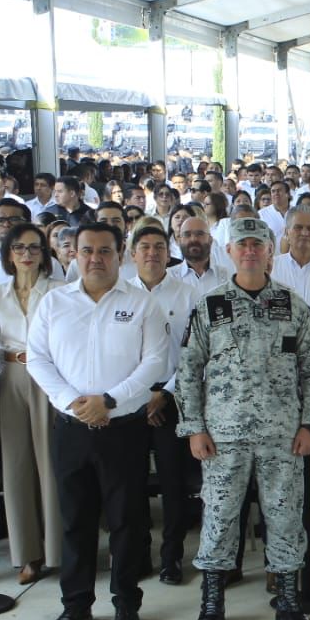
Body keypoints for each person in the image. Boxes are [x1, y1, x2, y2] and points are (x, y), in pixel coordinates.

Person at [175, 217, 310, 620]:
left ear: (270, 251)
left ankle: (289, 600)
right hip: (223, 437)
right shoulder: (210, 306)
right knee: (220, 516)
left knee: (285, 516)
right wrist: (194, 428)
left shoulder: (293, 305)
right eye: (242, 244)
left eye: (257, 244)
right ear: (229, 251)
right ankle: (212, 603)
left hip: (283, 436)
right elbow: (188, 371)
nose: (249, 251)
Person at [27, 221, 168, 620]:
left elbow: (154, 363)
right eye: (87, 250)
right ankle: (76, 605)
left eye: (105, 251)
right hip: (71, 428)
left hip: (123, 429)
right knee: (76, 520)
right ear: (74, 254)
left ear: (120, 254)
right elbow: (37, 358)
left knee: (127, 521)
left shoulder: (142, 304)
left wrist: (107, 401)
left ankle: (126, 603)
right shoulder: (54, 303)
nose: (95, 259)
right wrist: (76, 403)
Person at [0, 224, 64, 584]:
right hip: (12, 375)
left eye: (34, 247)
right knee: (16, 465)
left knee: (50, 461)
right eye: (19, 247)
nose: (27, 254)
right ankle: (26, 554)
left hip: (49, 375)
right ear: (8, 254)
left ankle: (57, 550)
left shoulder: (58, 291)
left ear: (44, 254)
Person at [127, 224, 200, 585]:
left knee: (173, 483)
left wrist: (164, 393)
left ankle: (172, 556)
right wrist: (141, 395)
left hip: (172, 398)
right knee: (132, 482)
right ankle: (139, 553)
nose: (152, 253)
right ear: (133, 254)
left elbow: (194, 353)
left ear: (168, 253)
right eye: (145, 247)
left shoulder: (188, 295)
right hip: (129, 401)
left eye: (159, 246)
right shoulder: (120, 294)